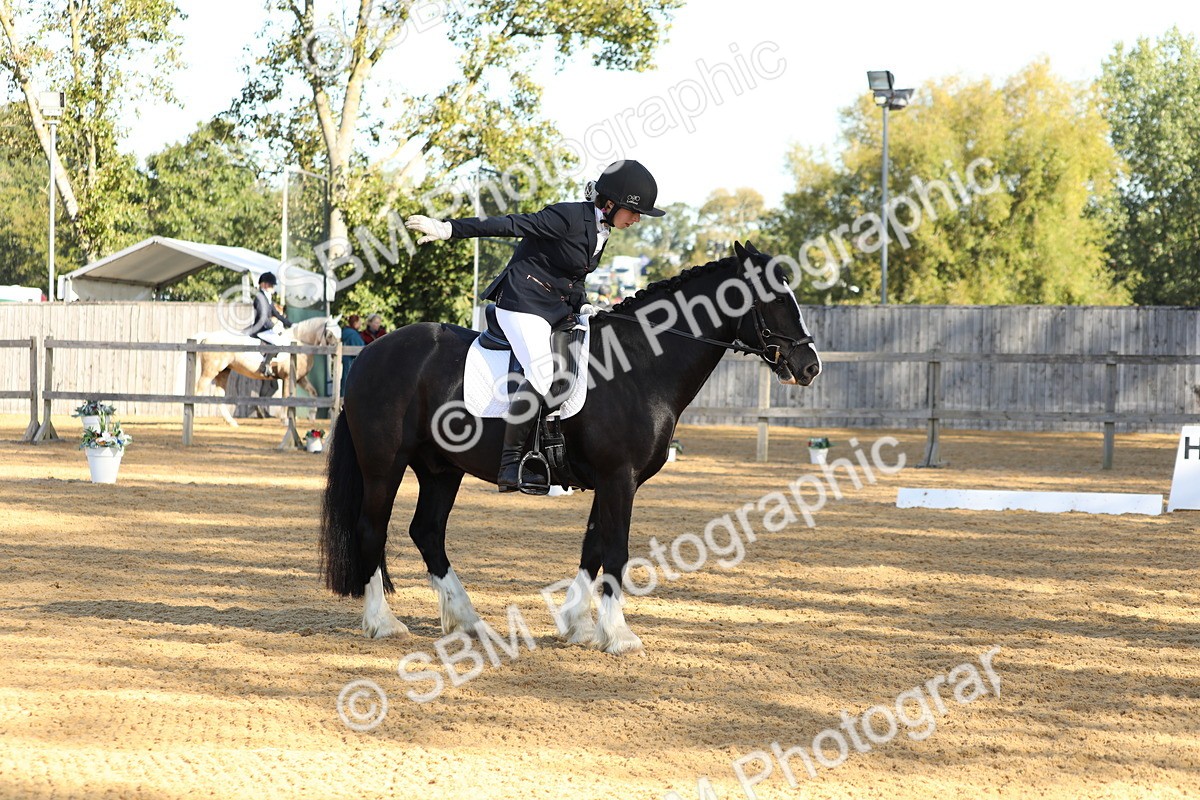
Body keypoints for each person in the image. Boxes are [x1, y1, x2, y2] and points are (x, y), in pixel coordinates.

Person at [405, 159, 665, 491]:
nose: (637, 218)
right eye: (634, 211)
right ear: (610, 203)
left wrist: (584, 304)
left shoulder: (603, 230)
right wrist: (449, 229)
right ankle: (510, 463)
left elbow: (572, 277)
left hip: (554, 308)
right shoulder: (568, 216)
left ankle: (558, 451)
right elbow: (510, 224)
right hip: (521, 303)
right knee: (543, 372)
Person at [243, 272, 291, 377]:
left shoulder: (267, 298)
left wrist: (289, 324)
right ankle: (265, 366)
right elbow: (262, 318)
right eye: (271, 285)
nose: (273, 287)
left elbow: (276, 313)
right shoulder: (260, 297)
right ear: (264, 285)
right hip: (259, 329)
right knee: (278, 343)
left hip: (265, 328)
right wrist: (274, 327)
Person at [341, 314, 365, 395]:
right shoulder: (353, 335)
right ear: (355, 323)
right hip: (352, 362)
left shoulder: (345, 332)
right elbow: (361, 348)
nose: (360, 324)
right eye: (359, 322)